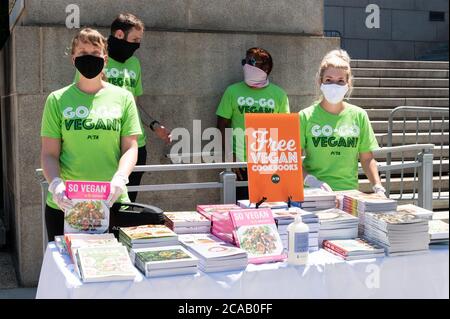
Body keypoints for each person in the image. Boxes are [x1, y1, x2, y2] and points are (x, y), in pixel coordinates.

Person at [41, 28, 142, 240]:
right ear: (73, 58)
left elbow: (130, 147)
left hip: (111, 200)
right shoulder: (56, 100)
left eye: (95, 53)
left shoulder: (123, 98)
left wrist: (121, 178)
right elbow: (49, 153)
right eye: (82, 52)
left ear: (105, 59)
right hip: (65, 203)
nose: (89, 57)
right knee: (66, 268)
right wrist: (56, 184)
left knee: (111, 267)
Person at [75, 13, 171, 202]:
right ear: (119, 35)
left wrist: (153, 125)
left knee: (128, 203)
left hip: (135, 143)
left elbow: (134, 102)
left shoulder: (134, 63)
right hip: (106, 142)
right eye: (135, 39)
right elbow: (81, 96)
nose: (137, 45)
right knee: (101, 204)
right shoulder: (95, 60)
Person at [300, 49, 386, 196]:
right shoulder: (305, 116)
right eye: (328, 80)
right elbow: (291, 161)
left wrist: (378, 187)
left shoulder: (359, 115)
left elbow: (367, 158)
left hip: (350, 194)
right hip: (313, 195)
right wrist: (311, 180)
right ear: (320, 82)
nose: (334, 85)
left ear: (348, 83)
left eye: (340, 81)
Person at [216, 47, 290, 200]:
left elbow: (285, 131)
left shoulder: (279, 95)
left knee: (270, 210)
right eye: (245, 61)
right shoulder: (232, 91)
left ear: (266, 67)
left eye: (251, 62)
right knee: (242, 211)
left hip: (269, 164)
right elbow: (221, 126)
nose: (246, 66)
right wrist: (231, 159)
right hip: (240, 165)